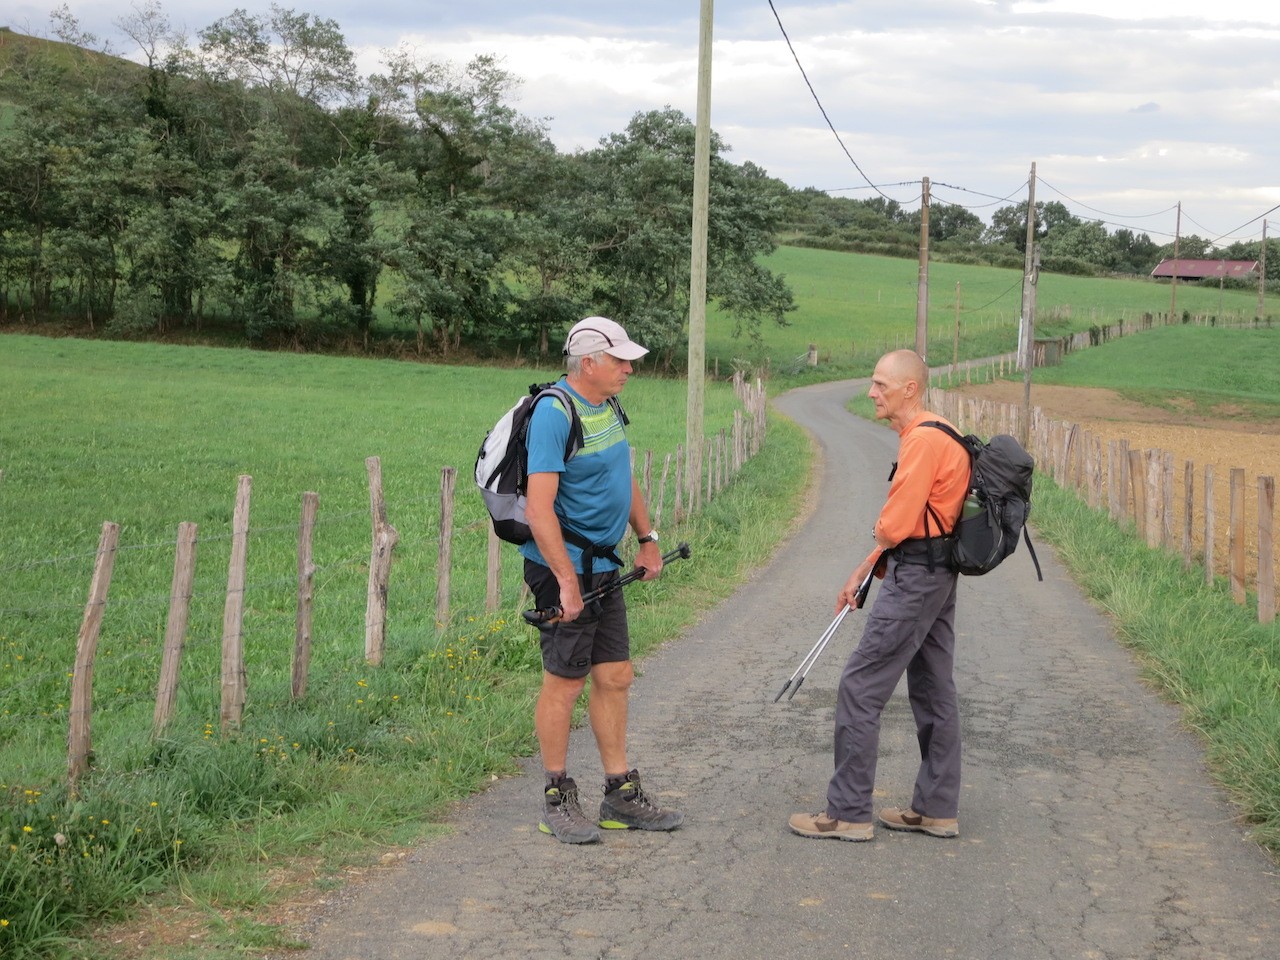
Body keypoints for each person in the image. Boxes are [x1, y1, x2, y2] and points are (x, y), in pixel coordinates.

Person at [789, 349, 971, 842]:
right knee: (934, 688)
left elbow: (894, 524)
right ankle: (936, 808)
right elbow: (909, 528)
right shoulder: (940, 430)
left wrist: (872, 550)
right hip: (937, 573)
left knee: (860, 685)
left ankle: (847, 813)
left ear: (909, 389)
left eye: (880, 386)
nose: (871, 393)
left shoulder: (922, 441)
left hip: (917, 578)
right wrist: (866, 567)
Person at [522, 316, 684, 844]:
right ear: (587, 362)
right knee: (565, 681)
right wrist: (565, 582)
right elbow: (540, 509)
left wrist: (647, 535)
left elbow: (623, 474)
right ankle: (556, 796)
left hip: (605, 565)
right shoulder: (553, 414)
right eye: (619, 360)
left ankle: (619, 795)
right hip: (561, 568)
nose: (629, 369)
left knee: (615, 675)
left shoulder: (607, 407)